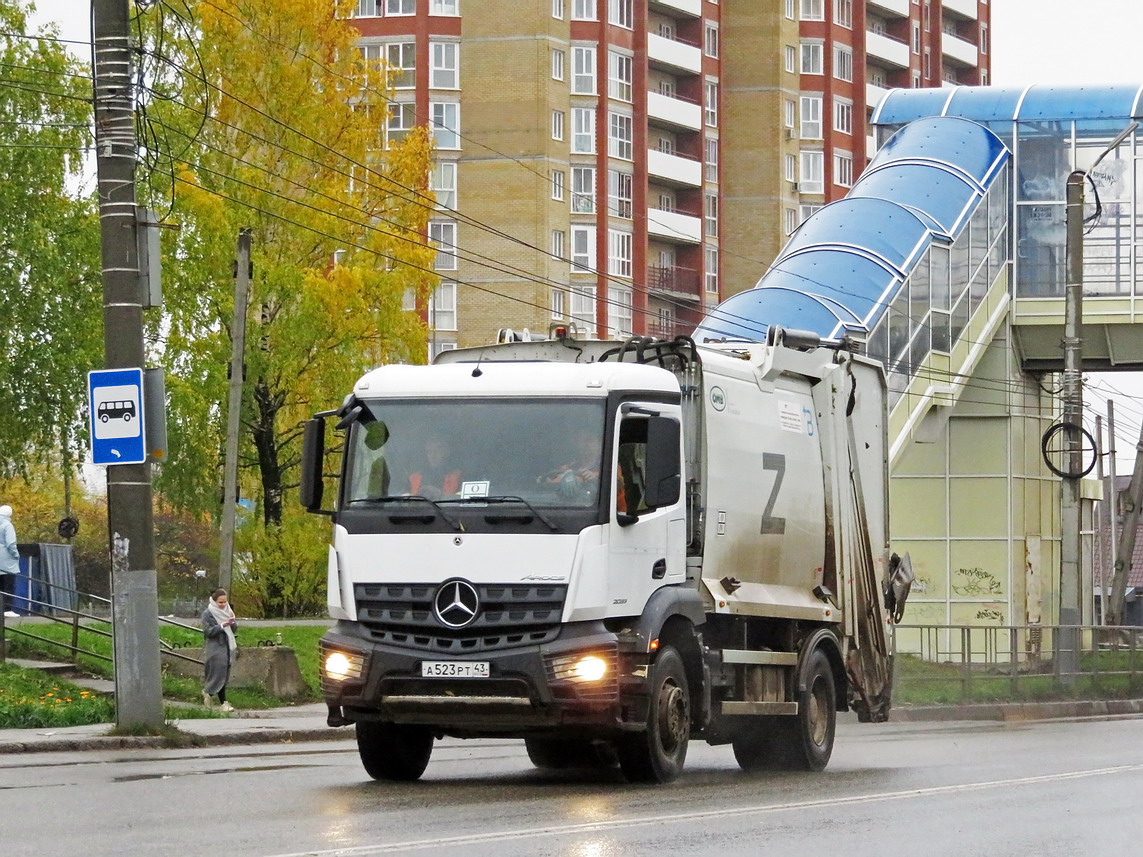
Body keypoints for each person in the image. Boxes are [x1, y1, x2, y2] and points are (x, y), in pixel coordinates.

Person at [202, 588, 238, 712]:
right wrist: (221, 626)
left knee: (224, 674)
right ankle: (217, 698)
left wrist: (232, 622)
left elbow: (233, 630)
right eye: (220, 602)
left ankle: (211, 696)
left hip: (227, 646)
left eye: (224, 602)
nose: (223, 605)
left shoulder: (228, 611)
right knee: (218, 673)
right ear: (214, 601)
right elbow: (208, 631)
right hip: (215, 648)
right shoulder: (208, 613)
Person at [0, 505, 19, 617]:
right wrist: (16, 555)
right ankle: (7, 609)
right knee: (9, 585)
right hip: (7, 561)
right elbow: (11, 543)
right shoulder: (7, 525)